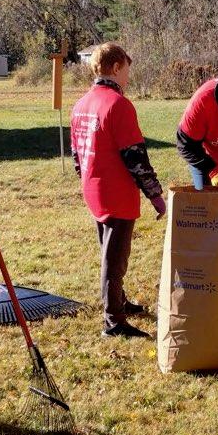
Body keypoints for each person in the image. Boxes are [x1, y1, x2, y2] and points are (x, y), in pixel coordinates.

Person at [70, 43, 165, 338]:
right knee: (115, 258)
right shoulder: (118, 105)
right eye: (126, 69)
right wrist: (157, 197)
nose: (128, 76)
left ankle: (119, 300)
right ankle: (114, 320)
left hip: (94, 188)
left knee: (108, 250)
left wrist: (86, 178)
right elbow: (135, 158)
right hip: (116, 193)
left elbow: (76, 154)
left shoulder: (82, 104)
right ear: (115, 68)